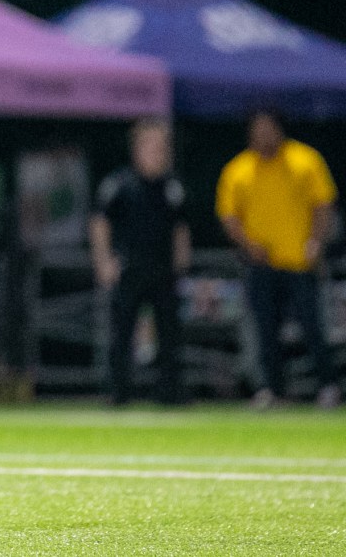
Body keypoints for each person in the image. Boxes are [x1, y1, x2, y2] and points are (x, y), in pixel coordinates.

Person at [216, 109, 341, 409]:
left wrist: (316, 242)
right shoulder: (239, 169)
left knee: (314, 327)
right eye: (257, 130)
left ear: (279, 129)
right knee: (265, 330)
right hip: (261, 263)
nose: (263, 136)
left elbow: (323, 205)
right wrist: (248, 245)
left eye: (268, 129)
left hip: (300, 262)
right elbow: (229, 216)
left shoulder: (305, 160)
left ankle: (327, 386)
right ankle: (272, 389)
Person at [89, 118, 191, 406]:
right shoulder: (119, 184)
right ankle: (119, 392)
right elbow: (99, 222)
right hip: (129, 268)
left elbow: (180, 226)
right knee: (121, 333)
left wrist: (182, 261)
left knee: (169, 333)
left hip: (163, 269)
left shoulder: (171, 186)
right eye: (153, 146)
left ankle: (169, 392)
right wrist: (103, 261)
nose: (160, 153)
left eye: (163, 147)